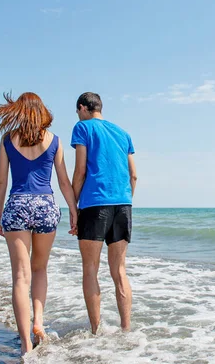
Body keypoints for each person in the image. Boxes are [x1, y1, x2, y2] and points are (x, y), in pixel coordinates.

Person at [0, 92, 78, 355]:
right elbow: (63, 181)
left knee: (20, 276)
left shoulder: (8, 139)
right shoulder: (55, 141)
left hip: (17, 204)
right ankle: (38, 322)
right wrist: (73, 210)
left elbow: (2, 181)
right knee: (40, 269)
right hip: (45, 205)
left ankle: (26, 344)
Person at [71, 92, 137, 334]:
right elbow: (133, 175)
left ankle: (96, 332)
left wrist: (73, 206)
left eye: (78, 111)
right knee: (120, 271)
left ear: (82, 108)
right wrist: (125, 200)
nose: (78, 115)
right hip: (123, 204)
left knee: (90, 268)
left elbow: (80, 171)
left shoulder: (82, 128)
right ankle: (126, 330)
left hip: (94, 204)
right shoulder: (123, 133)